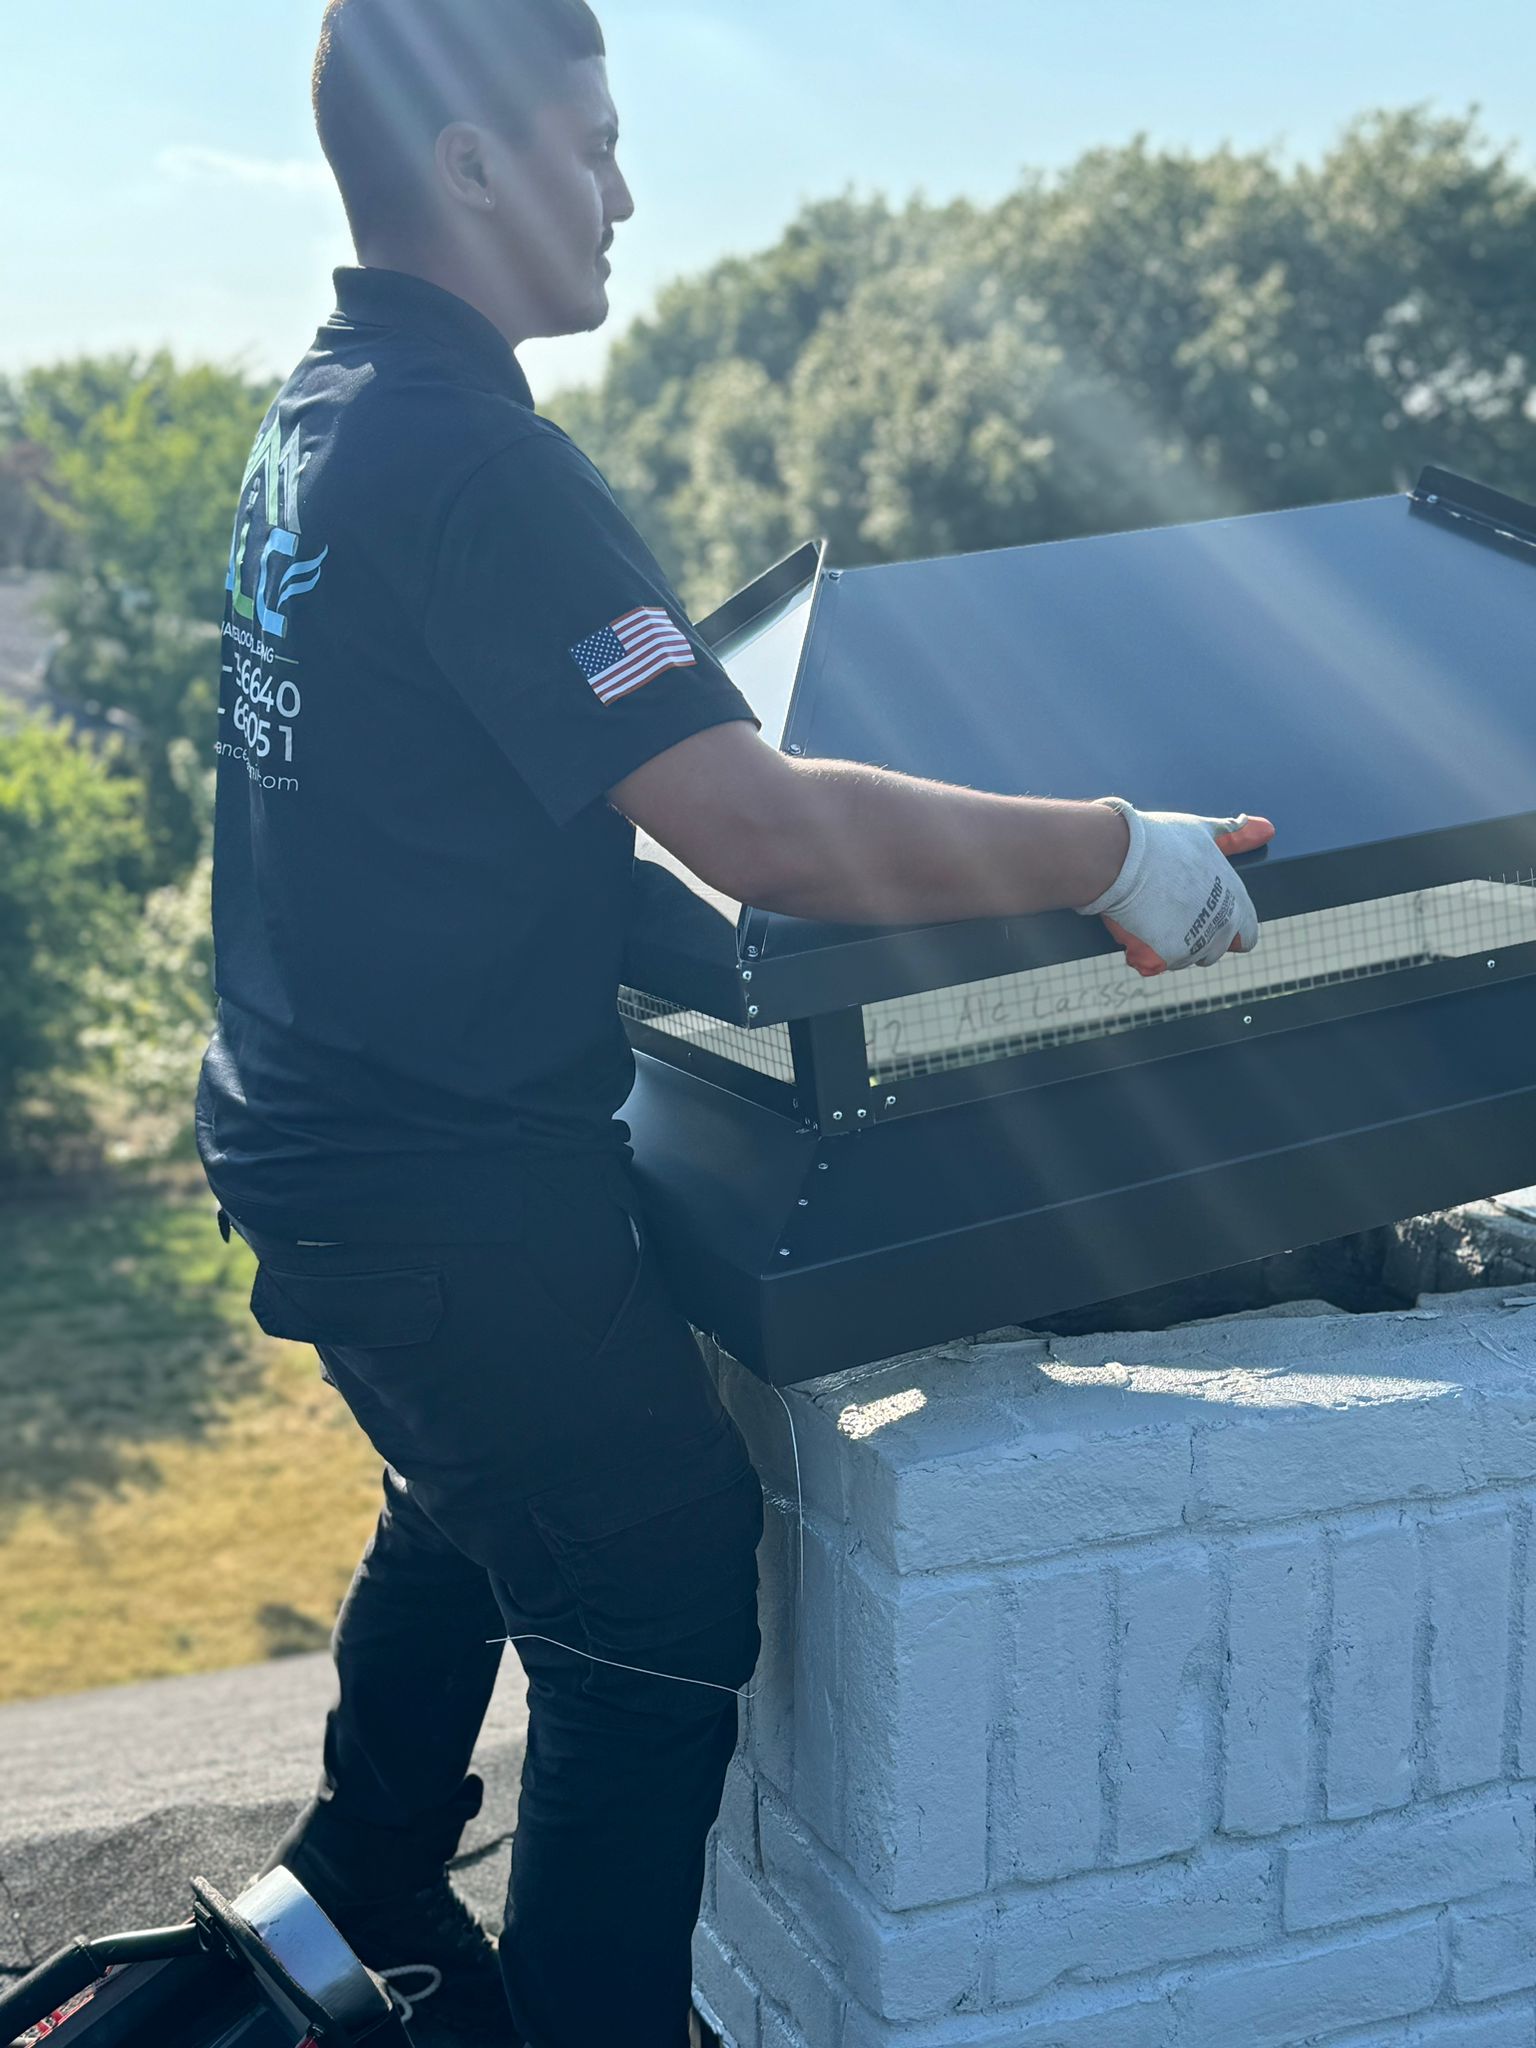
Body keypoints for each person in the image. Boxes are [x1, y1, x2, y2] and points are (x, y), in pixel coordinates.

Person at [195, 3, 1276, 2043]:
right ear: (474, 165)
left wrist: (783, 956)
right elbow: (753, 822)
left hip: (316, 1152)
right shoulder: (480, 463)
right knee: (658, 1594)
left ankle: (361, 1883)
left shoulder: (317, 424)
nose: (622, 191)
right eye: (589, 145)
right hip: (436, 1188)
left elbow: (456, 816)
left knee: (480, 1481)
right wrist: (1110, 850)